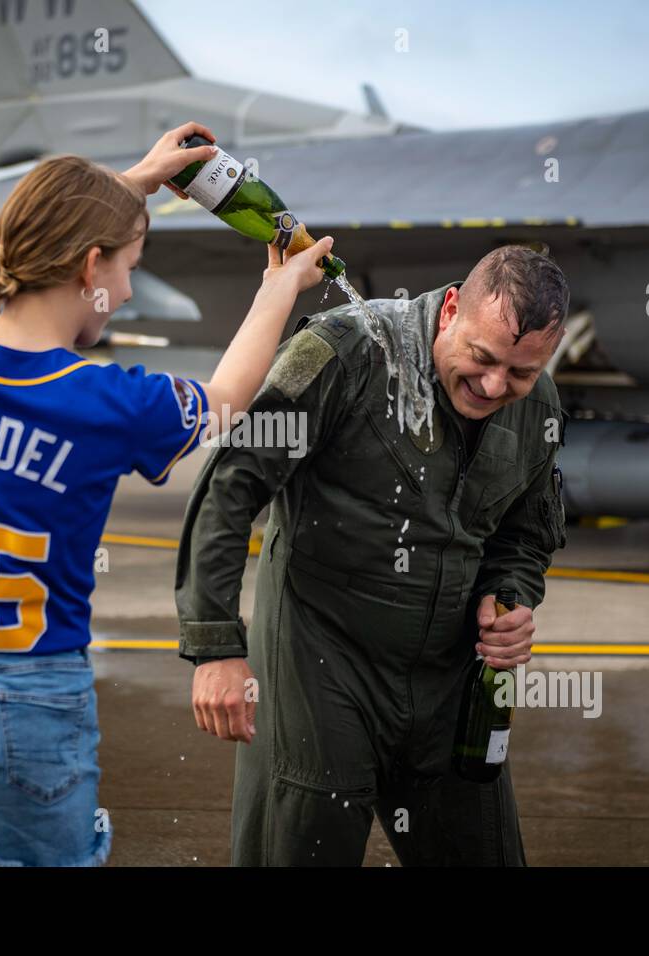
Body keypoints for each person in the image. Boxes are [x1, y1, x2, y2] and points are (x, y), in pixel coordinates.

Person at [0, 121, 334, 866]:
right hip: (34, 701)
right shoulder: (109, 402)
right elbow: (223, 399)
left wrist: (126, 186)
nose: (123, 292)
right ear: (91, 265)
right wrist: (279, 288)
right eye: (127, 266)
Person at [175, 244, 570, 866]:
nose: (496, 386)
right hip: (319, 667)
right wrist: (216, 645)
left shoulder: (537, 407)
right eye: (482, 358)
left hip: (448, 681)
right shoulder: (346, 351)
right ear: (449, 312)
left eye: (520, 374)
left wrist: (510, 597)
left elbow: (524, 533)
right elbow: (232, 483)